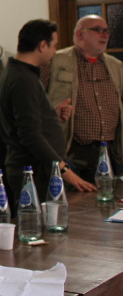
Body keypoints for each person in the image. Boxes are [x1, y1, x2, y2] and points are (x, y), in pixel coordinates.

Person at [0, 19, 97, 201]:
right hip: (33, 172)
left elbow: (25, 118)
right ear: (42, 45)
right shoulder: (23, 79)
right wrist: (64, 170)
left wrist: (50, 115)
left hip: (37, 169)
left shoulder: (19, 73)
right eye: (54, 45)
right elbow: (30, 135)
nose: (55, 51)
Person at [41, 14, 123, 182]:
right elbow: (36, 100)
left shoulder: (116, 66)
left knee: (108, 196)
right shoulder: (55, 61)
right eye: (98, 30)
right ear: (80, 34)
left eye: (107, 30)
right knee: (74, 197)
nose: (105, 34)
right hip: (71, 152)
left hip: (110, 152)